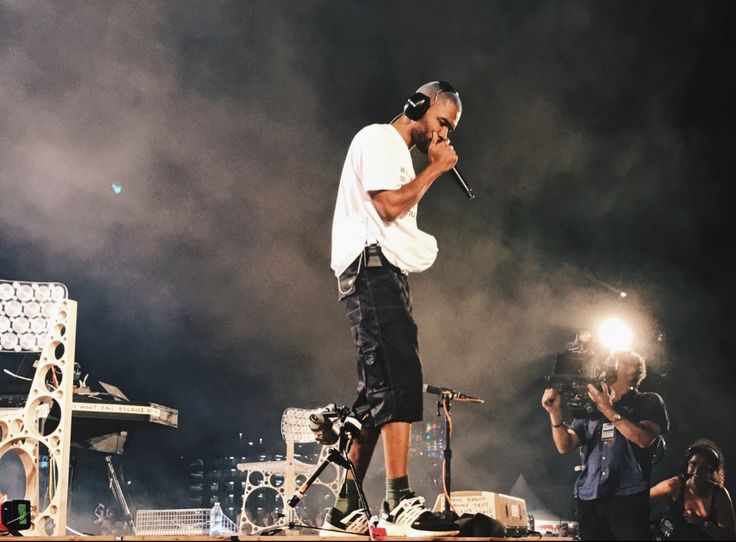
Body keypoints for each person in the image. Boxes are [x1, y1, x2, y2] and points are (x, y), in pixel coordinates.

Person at [323, 81, 462, 538]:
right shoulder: (380, 138)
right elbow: (387, 207)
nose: (444, 135)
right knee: (400, 375)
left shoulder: (399, 154)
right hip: (370, 267)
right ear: (418, 106)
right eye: (442, 122)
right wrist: (437, 170)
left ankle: (345, 507)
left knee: (375, 392)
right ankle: (398, 498)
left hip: (383, 270)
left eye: (450, 129)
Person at [541, 350, 670, 540]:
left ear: (632, 369)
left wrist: (607, 409)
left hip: (628, 497)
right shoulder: (590, 407)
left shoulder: (647, 401)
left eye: (614, 361)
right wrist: (555, 413)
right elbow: (565, 446)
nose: (606, 365)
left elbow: (643, 439)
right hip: (590, 497)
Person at [650, 439, 735, 540]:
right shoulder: (674, 485)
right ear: (687, 465)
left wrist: (703, 523)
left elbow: (729, 535)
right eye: (693, 464)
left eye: (703, 467)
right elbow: (639, 500)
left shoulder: (719, 495)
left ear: (711, 471)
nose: (696, 471)